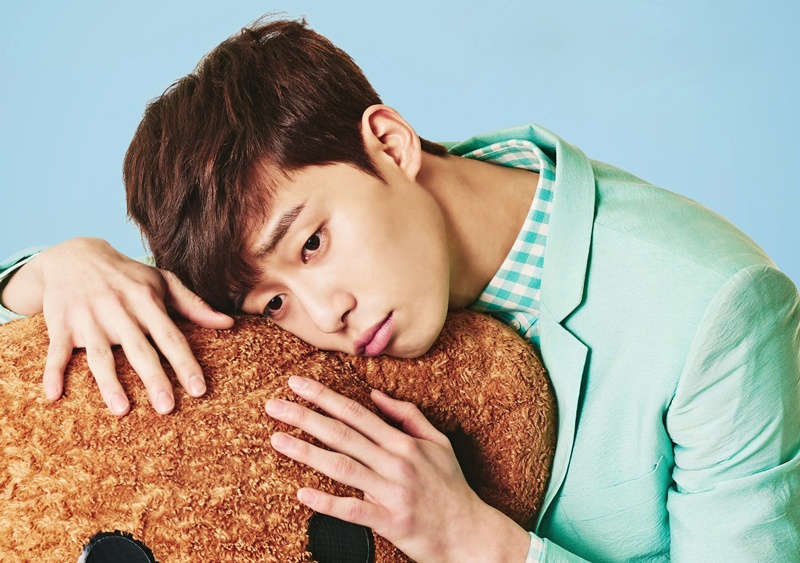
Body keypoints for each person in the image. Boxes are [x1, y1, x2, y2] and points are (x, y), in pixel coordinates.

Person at [1, 17, 798, 562]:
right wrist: (54, 266)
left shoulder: (716, 312)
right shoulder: (313, 273)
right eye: (273, 304)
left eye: (313, 244)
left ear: (389, 142)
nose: (325, 313)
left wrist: (480, 544)